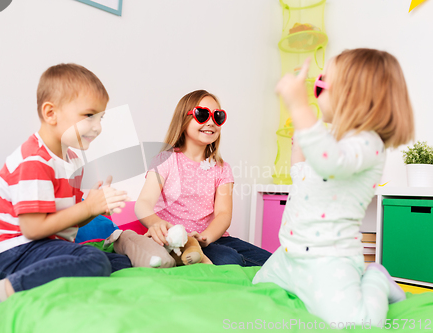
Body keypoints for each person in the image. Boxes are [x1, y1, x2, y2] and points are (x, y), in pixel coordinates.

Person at [0, 63, 131, 333]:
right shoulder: (35, 160)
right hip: (12, 252)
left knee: (119, 262)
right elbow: (34, 227)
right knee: (93, 260)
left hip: (39, 246)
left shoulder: (71, 160)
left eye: (101, 118)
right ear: (51, 113)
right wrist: (88, 205)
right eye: (89, 115)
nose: (97, 127)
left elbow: (67, 218)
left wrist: (96, 207)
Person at [253, 49, 415, 326]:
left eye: (321, 85)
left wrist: (300, 108)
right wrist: (301, 143)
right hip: (289, 255)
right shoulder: (330, 141)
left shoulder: (368, 144)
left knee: (358, 323)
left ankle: (376, 278)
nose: (316, 92)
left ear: (354, 95)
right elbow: (303, 175)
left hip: (327, 259)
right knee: (258, 289)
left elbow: (330, 163)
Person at [135, 89, 272, 266]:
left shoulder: (222, 169)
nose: (211, 122)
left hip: (211, 238)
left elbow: (223, 214)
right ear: (183, 120)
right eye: (202, 114)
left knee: (272, 262)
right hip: (176, 243)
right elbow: (143, 202)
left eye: (217, 117)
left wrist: (205, 238)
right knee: (231, 260)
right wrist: (157, 224)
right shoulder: (165, 160)